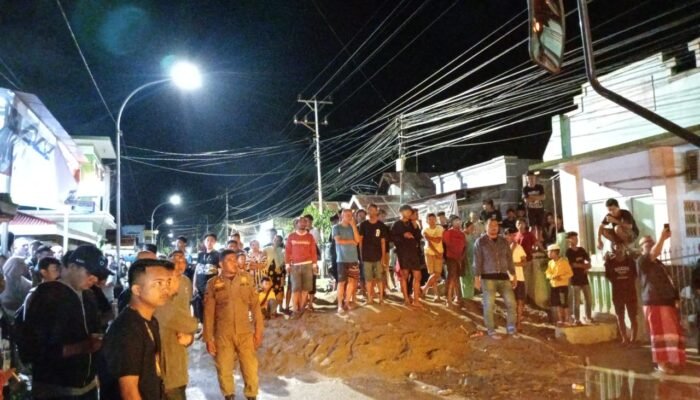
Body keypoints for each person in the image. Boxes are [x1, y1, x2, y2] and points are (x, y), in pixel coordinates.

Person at [20, 245, 108, 400]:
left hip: (88, 387)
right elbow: (32, 349)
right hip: (55, 389)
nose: (94, 279)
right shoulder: (47, 295)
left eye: (97, 275)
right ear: (72, 267)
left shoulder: (89, 296)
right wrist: (82, 347)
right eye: (89, 273)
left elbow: (97, 329)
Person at [99, 258, 174, 400]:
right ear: (137, 289)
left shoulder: (151, 321)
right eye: (158, 283)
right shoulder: (127, 330)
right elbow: (129, 392)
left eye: (167, 282)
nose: (166, 288)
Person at [204, 250, 263, 400]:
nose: (235, 262)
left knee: (250, 368)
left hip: (245, 332)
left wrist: (258, 331)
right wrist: (209, 339)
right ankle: (229, 396)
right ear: (221, 264)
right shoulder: (213, 284)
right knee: (224, 369)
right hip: (223, 334)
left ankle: (251, 396)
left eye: (235, 259)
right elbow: (209, 314)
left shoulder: (247, 279)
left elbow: (255, 307)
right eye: (230, 260)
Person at [638, 228, 685, 374]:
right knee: (659, 335)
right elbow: (653, 253)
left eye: (651, 242)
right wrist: (663, 238)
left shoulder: (659, 264)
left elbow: (669, 282)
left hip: (666, 303)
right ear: (641, 249)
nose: (651, 245)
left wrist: (675, 298)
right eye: (647, 244)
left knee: (671, 334)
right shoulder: (642, 261)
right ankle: (662, 363)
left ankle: (672, 360)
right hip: (655, 303)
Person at [154, 250, 198, 400]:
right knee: (170, 382)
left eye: (183, 261)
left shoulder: (186, 282)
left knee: (180, 374)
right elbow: (189, 322)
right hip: (166, 337)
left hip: (182, 336)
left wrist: (189, 335)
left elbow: (187, 307)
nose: (180, 264)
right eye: (176, 261)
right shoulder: (161, 292)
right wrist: (192, 325)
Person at [473, 218, 518, 339]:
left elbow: (509, 258)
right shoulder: (480, 242)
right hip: (488, 278)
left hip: (504, 276)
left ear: (498, 228)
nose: (494, 227)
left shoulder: (503, 241)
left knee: (511, 303)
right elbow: (477, 261)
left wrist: (513, 274)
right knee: (489, 304)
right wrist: (476, 277)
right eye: (491, 225)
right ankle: (491, 330)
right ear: (486, 227)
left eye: (495, 225)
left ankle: (511, 327)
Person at [604, 243, 638, 345]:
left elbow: (635, 275)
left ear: (624, 248)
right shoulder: (610, 263)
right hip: (617, 293)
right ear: (613, 248)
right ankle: (624, 339)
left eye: (621, 246)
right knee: (620, 316)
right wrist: (606, 261)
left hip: (630, 292)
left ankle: (633, 339)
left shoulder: (630, 261)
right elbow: (608, 276)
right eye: (616, 246)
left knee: (633, 316)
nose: (619, 249)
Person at [391, 204, 424, 309]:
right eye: (407, 211)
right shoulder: (396, 224)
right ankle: (406, 298)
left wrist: (415, 224)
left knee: (418, 276)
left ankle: (416, 299)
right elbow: (392, 238)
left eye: (410, 211)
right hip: (403, 253)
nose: (409, 213)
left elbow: (418, 237)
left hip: (414, 253)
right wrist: (403, 236)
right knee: (404, 276)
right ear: (401, 212)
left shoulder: (412, 223)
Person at [284, 217, 318, 316]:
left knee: (306, 289)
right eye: (301, 222)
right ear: (296, 224)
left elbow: (313, 252)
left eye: (305, 222)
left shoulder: (310, 237)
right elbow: (287, 252)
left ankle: (301, 309)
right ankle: (295, 310)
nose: (303, 224)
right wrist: (287, 265)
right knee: (295, 289)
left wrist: (314, 265)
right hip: (294, 266)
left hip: (308, 265)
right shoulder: (291, 236)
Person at [358, 204, 388, 305]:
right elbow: (360, 241)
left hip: (378, 256)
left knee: (380, 278)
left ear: (376, 211)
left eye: (372, 210)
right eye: (369, 209)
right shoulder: (363, 225)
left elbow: (383, 242)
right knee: (368, 279)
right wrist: (361, 255)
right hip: (366, 256)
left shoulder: (381, 225)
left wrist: (383, 257)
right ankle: (370, 298)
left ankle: (381, 298)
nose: (370, 211)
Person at [333, 209, 361, 313]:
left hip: (353, 259)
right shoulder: (336, 227)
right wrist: (351, 241)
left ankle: (347, 303)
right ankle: (339, 305)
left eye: (351, 215)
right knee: (341, 283)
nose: (349, 217)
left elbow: (358, 241)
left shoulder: (353, 227)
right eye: (347, 215)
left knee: (352, 282)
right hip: (342, 259)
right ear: (342, 216)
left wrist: (354, 226)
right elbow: (338, 241)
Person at [566, 232, 593, 325]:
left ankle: (588, 316)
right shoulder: (568, 252)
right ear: (569, 240)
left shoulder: (581, 250)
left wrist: (586, 265)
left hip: (584, 278)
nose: (576, 240)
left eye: (576, 238)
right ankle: (577, 319)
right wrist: (584, 266)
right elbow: (572, 265)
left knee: (588, 299)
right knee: (576, 301)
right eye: (573, 238)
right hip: (575, 280)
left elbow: (588, 260)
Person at [192, 233, 220, 323]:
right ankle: (204, 330)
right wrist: (194, 285)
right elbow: (197, 270)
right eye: (207, 240)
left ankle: (211, 331)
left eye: (212, 240)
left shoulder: (217, 255)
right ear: (204, 242)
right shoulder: (200, 255)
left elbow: (220, 272)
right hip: (199, 288)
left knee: (211, 310)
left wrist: (217, 286)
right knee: (201, 310)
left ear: (215, 242)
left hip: (211, 288)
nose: (209, 242)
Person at [505, 227, 527, 331]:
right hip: (507, 278)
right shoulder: (504, 248)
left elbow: (524, 263)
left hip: (519, 278)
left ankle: (518, 323)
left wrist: (513, 264)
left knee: (520, 301)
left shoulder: (519, 248)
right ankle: (512, 324)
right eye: (511, 235)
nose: (513, 237)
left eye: (514, 235)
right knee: (510, 302)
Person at [545, 244, 573, 326]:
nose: (548, 253)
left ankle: (567, 320)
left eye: (549, 252)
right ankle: (560, 320)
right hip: (554, 286)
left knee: (564, 303)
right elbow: (547, 273)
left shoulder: (564, 262)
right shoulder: (550, 263)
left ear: (555, 252)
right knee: (557, 304)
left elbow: (570, 273)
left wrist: (561, 277)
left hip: (562, 286)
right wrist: (551, 276)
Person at [421, 213, 445, 302]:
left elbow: (438, 239)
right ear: (427, 220)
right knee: (432, 274)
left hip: (439, 252)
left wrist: (429, 237)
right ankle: (436, 295)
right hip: (429, 253)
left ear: (436, 219)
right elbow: (429, 243)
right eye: (429, 219)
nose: (431, 221)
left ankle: (424, 289)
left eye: (433, 219)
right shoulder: (424, 229)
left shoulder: (440, 228)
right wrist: (436, 252)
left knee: (437, 274)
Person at [443, 216, 466, 307]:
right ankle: (448, 299)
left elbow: (465, 246)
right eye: (456, 221)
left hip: (460, 258)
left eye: (459, 221)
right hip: (450, 258)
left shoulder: (462, 234)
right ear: (452, 222)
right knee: (451, 276)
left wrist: (462, 257)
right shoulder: (448, 232)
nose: (458, 223)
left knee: (456, 277)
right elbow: (447, 245)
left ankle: (457, 297)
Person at [264, 234, 286, 314]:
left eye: (278, 240)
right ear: (273, 240)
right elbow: (263, 259)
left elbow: (284, 262)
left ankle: (280, 307)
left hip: (279, 273)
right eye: (275, 239)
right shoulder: (266, 249)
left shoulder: (282, 250)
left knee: (279, 290)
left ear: (281, 242)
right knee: (270, 289)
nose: (276, 241)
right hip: (269, 273)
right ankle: (271, 310)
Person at [522, 171, 546, 240]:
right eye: (529, 178)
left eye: (532, 178)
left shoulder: (540, 187)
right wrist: (538, 197)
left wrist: (531, 197)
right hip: (530, 210)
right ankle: (531, 241)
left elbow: (543, 197)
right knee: (531, 227)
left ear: (535, 178)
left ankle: (539, 243)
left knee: (540, 228)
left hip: (540, 209)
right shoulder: (525, 189)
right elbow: (526, 200)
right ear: (527, 179)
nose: (531, 180)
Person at [460, 221, 477, 300]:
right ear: (466, 227)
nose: (473, 229)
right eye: (471, 227)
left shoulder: (471, 235)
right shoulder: (462, 235)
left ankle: (470, 295)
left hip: (472, 260)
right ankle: (466, 297)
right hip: (465, 259)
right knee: (465, 278)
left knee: (471, 278)